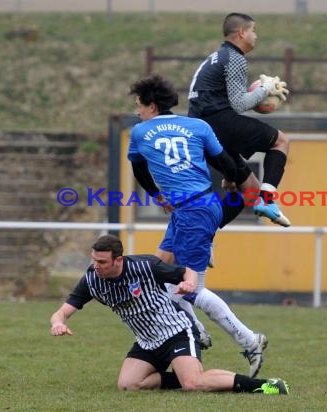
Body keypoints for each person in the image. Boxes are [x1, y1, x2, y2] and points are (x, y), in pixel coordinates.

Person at [127, 74, 268, 378]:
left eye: (138, 104)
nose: (136, 110)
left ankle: (248, 340)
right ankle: (196, 330)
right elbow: (226, 162)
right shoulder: (198, 126)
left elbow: (138, 168)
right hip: (200, 206)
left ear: (151, 106)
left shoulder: (140, 132)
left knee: (190, 289)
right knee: (160, 274)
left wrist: (156, 195)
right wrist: (236, 184)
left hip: (192, 212)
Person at [49, 235, 290, 395]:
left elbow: (189, 272)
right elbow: (63, 311)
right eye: (94, 260)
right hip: (147, 341)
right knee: (129, 385)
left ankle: (266, 386)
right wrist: (58, 323)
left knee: (193, 384)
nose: (96, 266)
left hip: (177, 332)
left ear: (118, 260)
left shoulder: (145, 266)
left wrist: (189, 284)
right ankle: (187, 372)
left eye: (102, 262)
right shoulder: (92, 281)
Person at [188, 12, 291, 228]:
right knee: (281, 141)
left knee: (249, 190)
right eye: (254, 30)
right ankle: (268, 200)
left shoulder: (217, 57)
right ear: (242, 32)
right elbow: (239, 105)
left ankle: (203, 234)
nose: (256, 36)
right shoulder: (235, 58)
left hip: (201, 127)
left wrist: (258, 97)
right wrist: (265, 88)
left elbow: (234, 101)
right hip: (218, 123)